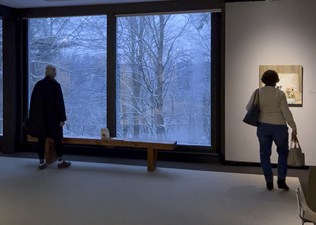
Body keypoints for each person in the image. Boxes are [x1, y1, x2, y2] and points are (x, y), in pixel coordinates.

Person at [246, 69, 297, 191]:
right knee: (283, 153)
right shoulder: (279, 94)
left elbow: (248, 107)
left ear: (263, 80)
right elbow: (286, 112)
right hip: (279, 126)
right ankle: (281, 180)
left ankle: (269, 181)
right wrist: (293, 126)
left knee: (264, 154)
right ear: (276, 80)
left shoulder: (258, 92)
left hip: (263, 126)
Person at [29, 65, 71, 170]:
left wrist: (33, 118)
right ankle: (60, 161)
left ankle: (41, 162)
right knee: (57, 138)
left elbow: (33, 103)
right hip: (53, 118)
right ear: (54, 73)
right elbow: (59, 103)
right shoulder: (55, 85)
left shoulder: (38, 85)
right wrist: (62, 118)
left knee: (41, 139)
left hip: (40, 118)